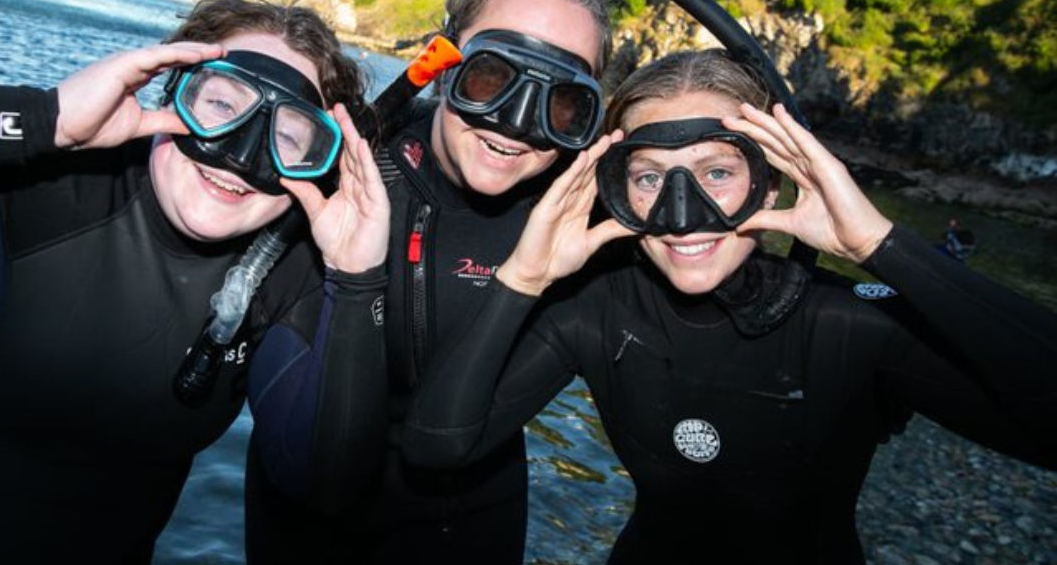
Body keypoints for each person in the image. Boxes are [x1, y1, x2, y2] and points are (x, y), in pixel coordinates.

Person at [0, 0, 390, 564]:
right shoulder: (41, 180)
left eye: (287, 136)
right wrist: (46, 120)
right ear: (171, 88)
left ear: (320, 161)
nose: (240, 153)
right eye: (222, 103)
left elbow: (325, 484)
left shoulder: (291, 271)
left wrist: (358, 277)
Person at [400, 47, 1057, 564]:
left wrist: (880, 245)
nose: (684, 218)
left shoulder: (852, 322)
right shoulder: (595, 312)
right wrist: (523, 276)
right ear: (616, 191)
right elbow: (436, 449)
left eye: (718, 172)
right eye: (650, 179)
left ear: (770, 183)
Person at [243, 0, 613, 564]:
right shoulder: (341, 169)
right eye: (492, 76)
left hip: (470, 514)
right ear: (444, 63)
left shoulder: (588, 232)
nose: (515, 121)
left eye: (559, 101)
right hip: (304, 508)